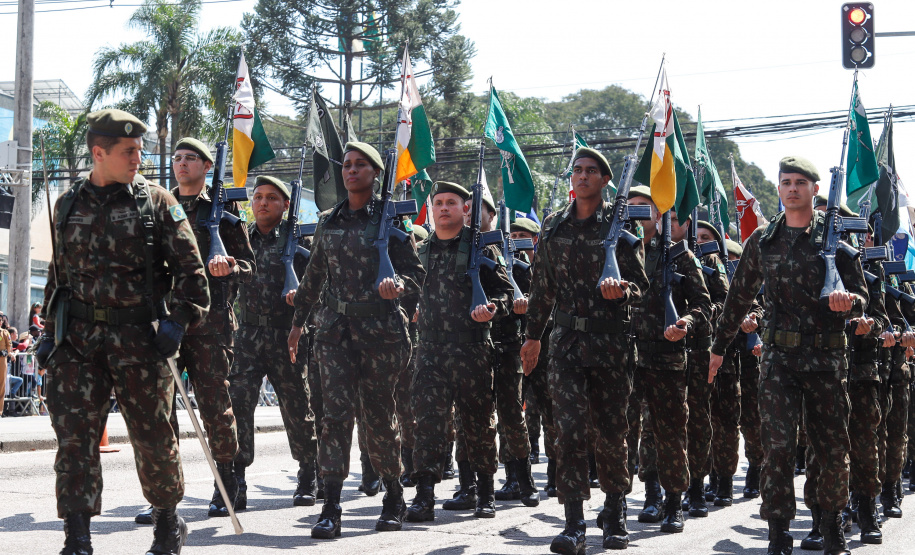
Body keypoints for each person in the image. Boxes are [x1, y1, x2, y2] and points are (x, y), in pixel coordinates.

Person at [34, 108, 210, 555]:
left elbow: (193, 276)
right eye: (129, 151)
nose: (139, 157)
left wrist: (177, 322)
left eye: (140, 149)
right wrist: (47, 334)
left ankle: (167, 524)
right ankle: (77, 536)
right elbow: (60, 276)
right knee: (74, 439)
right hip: (77, 343)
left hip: (139, 341)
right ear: (99, 153)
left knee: (153, 438)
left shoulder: (157, 203)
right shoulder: (67, 204)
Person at [709, 156, 867, 555]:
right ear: (779, 190)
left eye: (800, 182)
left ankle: (830, 526)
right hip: (779, 360)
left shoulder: (837, 243)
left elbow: (864, 300)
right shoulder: (763, 241)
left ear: (815, 190)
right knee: (778, 447)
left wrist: (847, 302)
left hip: (827, 360)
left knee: (830, 447)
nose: (792, 188)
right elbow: (737, 298)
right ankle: (778, 531)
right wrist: (718, 348)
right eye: (786, 182)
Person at [290, 142, 425, 538]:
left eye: (360, 165)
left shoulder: (391, 224)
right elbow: (313, 277)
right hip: (334, 333)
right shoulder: (330, 221)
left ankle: (394, 495)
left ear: (375, 173)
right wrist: (297, 325)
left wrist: (398, 286)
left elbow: (417, 276)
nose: (351, 170)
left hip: (382, 335)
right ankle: (331, 504)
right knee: (334, 418)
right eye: (347, 165)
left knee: (378, 417)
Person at [522, 148, 649, 554]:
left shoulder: (623, 228)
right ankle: (574, 522)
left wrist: (622, 291)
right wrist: (532, 337)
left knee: (612, 433)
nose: (582, 176)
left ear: (606, 180)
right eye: (577, 170)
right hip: (566, 346)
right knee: (569, 432)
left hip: (611, 344)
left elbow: (642, 288)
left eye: (591, 171)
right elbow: (541, 290)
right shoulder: (554, 226)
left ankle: (615, 510)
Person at [407, 180, 513, 523]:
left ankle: (484, 494)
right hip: (431, 351)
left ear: (464, 209)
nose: (443, 208)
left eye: (451, 202)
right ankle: (424, 496)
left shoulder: (480, 249)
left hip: (471, 349)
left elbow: (507, 293)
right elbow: (407, 293)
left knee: (478, 424)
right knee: (428, 425)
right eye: (438, 202)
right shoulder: (420, 252)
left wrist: (492, 308)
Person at [163, 136, 254, 519]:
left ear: (206, 167)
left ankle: (228, 482)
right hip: (167, 322)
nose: (182, 164)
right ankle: (166, 495)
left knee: (215, 406)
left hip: (211, 323)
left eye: (190, 159)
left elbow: (250, 266)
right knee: (163, 408)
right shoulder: (159, 206)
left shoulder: (225, 212)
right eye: (178, 158)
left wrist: (229, 265)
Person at [229, 175, 319, 512]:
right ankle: (235, 479)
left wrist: (303, 305)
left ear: (284, 205)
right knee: (238, 405)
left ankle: (308, 473)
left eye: (271, 198)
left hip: (289, 336)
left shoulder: (299, 244)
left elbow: (318, 287)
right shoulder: (240, 241)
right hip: (248, 337)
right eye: (258, 197)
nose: (263, 203)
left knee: (298, 408)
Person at [627, 186, 710, 534]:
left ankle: (674, 502)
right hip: (625, 357)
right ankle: (646, 496)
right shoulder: (614, 253)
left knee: (670, 432)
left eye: (643, 209)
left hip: (667, 358)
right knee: (627, 432)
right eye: (629, 210)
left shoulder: (680, 257)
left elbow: (704, 305)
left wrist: (685, 323)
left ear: (657, 216)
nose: (636, 216)